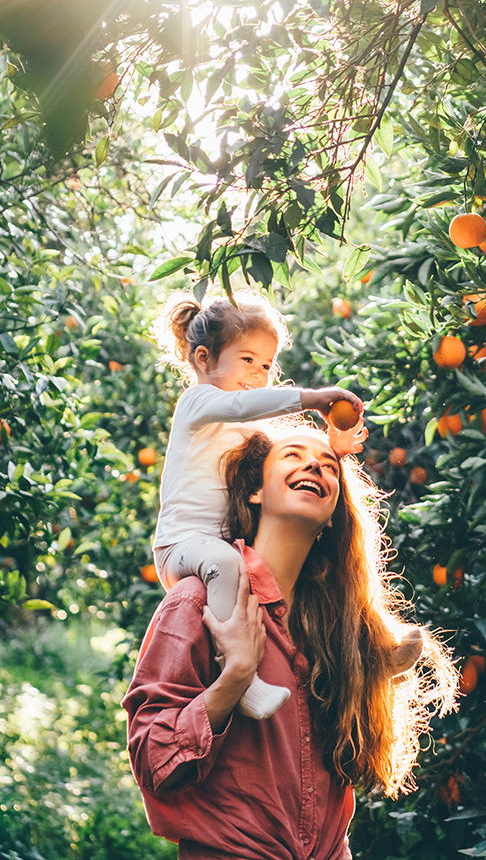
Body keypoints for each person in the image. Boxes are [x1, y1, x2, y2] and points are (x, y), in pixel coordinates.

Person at [124, 422, 460, 859]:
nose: (314, 467)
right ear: (255, 491)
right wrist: (236, 677)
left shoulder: (340, 625)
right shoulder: (198, 601)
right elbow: (153, 760)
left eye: (329, 466)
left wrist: (376, 671)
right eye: (293, 455)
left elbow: (350, 761)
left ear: (335, 508)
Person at [150, 290, 379, 719]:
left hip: (219, 550)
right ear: (203, 359)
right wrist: (312, 397)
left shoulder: (244, 421)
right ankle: (242, 679)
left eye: (266, 365)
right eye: (247, 359)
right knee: (231, 567)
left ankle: (374, 655)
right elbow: (243, 405)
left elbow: (291, 451)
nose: (258, 375)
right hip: (182, 545)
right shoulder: (198, 403)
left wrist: (335, 444)